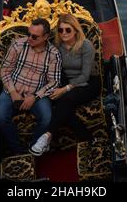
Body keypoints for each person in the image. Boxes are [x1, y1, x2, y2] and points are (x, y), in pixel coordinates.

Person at [30, 13, 99, 156]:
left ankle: (47, 136)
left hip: (88, 83)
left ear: (75, 30)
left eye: (68, 29)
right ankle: (89, 139)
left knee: (65, 99)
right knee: (62, 106)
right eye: (61, 30)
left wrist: (64, 89)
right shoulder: (57, 46)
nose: (64, 33)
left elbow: (85, 76)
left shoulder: (86, 46)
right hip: (66, 81)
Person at [0, 18, 62, 155]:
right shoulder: (17, 45)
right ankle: (17, 150)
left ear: (46, 37)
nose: (29, 38)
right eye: (28, 34)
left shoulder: (54, 54)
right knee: (0, 116)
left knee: (47, 118)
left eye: (35, 36)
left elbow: (54, 82)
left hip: (37, 93)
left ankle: (33, 148)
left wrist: (35, 97)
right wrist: (13, 92)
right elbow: (5, 70)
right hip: (13, 88)